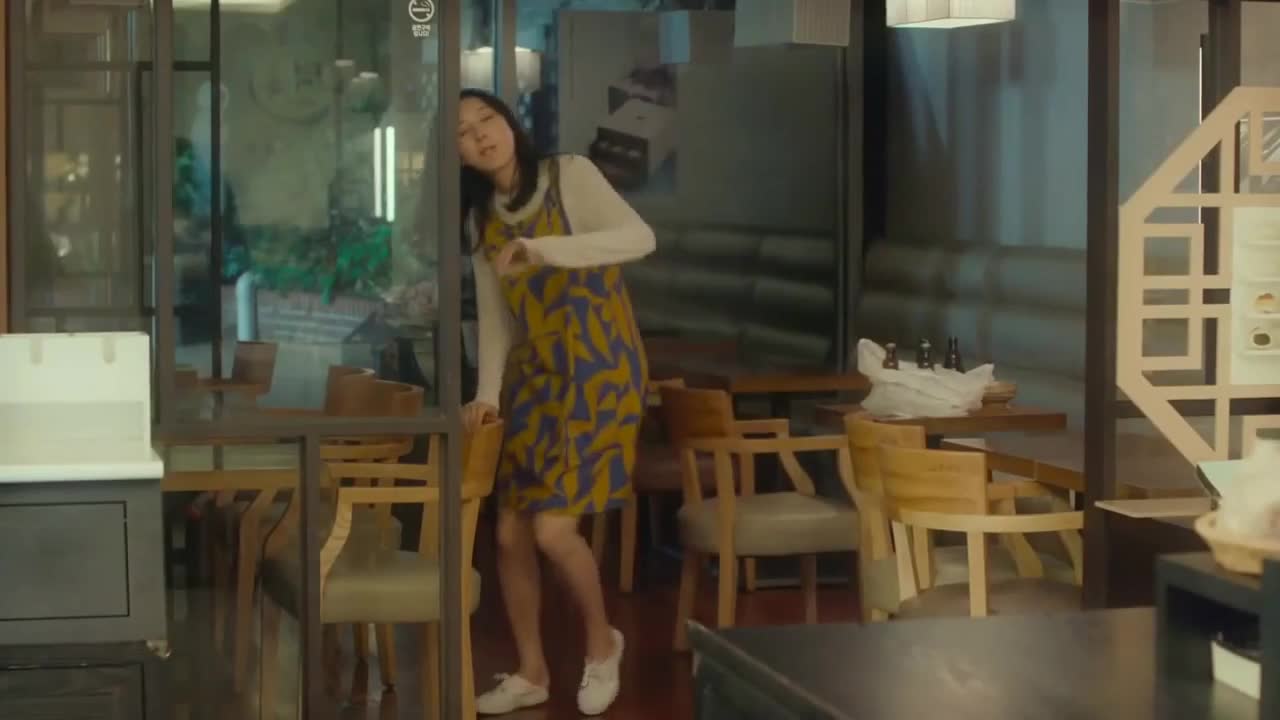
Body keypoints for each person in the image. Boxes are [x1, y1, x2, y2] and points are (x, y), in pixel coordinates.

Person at [457, 89, 654, 716]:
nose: (481, 135)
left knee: (553, 529)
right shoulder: (480, 218)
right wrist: (487, 396)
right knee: (509, 532)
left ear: (509, 123)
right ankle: (532, 671)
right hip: (535, 379)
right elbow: (496, 320)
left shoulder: (569, 175)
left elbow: (639, 237)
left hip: (600, 371)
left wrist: (544, 250)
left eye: (487, 119)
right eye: (464, 132)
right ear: (457, 154)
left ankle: (602, 644)